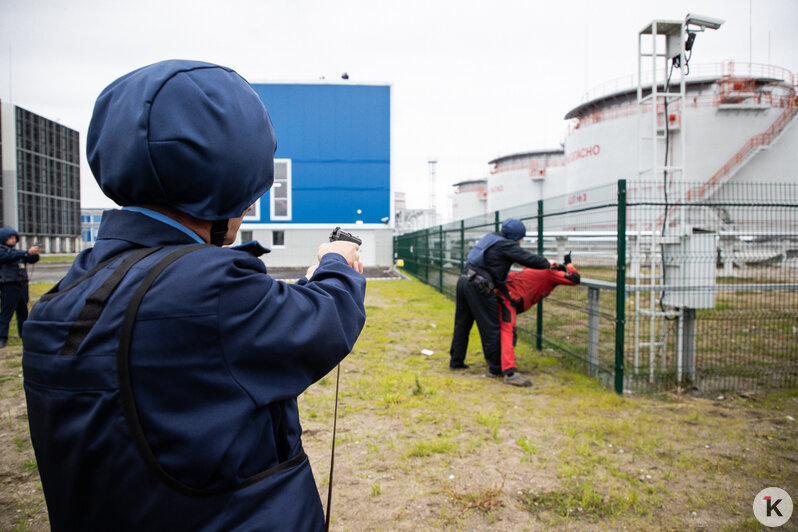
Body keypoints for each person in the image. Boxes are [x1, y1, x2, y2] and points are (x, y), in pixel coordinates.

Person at [22, 60, 366, 531]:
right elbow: (326, 321)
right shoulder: (213, 289)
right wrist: (336, 262)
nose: (249, 206)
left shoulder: (68, 293)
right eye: (251, 192)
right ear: (229, 181)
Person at [449, 218, 550, 377]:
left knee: (462, 324)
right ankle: (496, 368)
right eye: (520, 238)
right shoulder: (506, 245)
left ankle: (456, 361)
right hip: (479, 286)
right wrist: (548, 263)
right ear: (516, 236)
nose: (520, 241)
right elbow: (528, 259)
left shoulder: (489, 238)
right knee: (491, 326)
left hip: (464, 280)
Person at [497, 254, 581, 386]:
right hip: (508, 300)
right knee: (508, 332)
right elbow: (574, 278)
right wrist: (569, 264)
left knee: (504, 332)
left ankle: (498, 365)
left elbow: (510, 278)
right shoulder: (549, 273)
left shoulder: (530, 269)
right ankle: (509, 372)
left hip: (502, 297)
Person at [0, 227, 40, 347]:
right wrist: (27, 252)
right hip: (9, 285)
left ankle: (24, 335)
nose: (13, 240)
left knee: (23, 312)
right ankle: (2, 337)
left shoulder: (17, 252)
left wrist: (34, 254)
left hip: (22, 285)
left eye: (14, 238)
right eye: (10, 238)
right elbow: (9, 257)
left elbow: (30, 259)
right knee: (6, 313)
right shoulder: (3, 252)